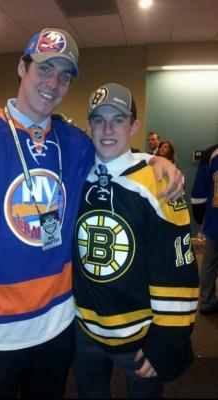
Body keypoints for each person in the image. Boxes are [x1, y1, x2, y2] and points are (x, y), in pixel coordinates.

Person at [0, 28, 184, 399]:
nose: (53, 83)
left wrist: (157, 160)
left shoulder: (74, 142)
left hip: (56, 329)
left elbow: (117, 153)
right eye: (44, 69)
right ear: (21, 68)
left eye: (64, 75)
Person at [73, 82, 199, 398]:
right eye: (98, 119)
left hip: (139, 335)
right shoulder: (75, 173)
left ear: (134, 125)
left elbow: (179, 270)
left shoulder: (159, 184)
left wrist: (167, 341)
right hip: (83, 329)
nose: (107, 128)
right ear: (88, 124)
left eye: (118, 119)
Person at [191, 144, 218, 315]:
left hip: (215, 221)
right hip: (215, 221)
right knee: (209, 263)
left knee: (209, 264)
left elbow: (198, 194)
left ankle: (207, 301)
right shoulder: (211, 154)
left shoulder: (211, 153)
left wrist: (202, 219)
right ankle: (207, 301)